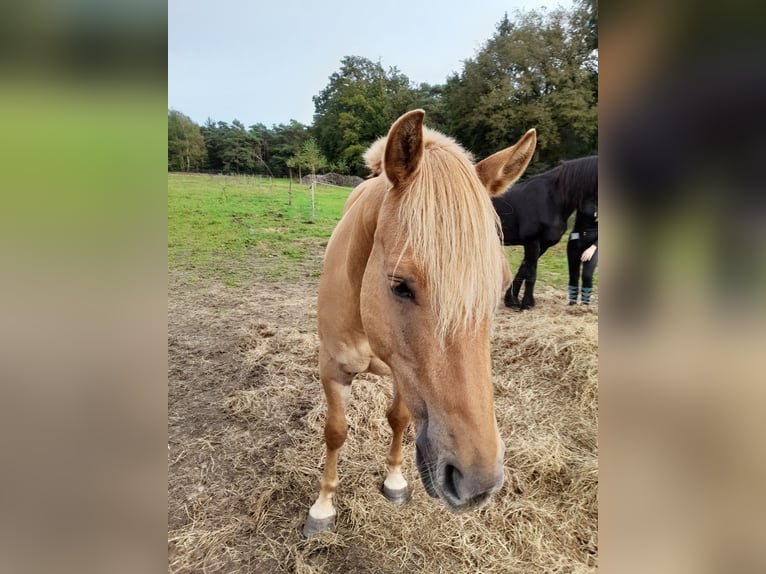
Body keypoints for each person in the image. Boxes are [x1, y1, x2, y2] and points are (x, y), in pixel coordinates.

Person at [567, 196, 598, 305]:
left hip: (593, 246)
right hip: (575, 241)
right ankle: (572, 302)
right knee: (573, 274)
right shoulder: (581, 198)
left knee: (587, 275)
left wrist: (593, 248)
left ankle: (585, 304)